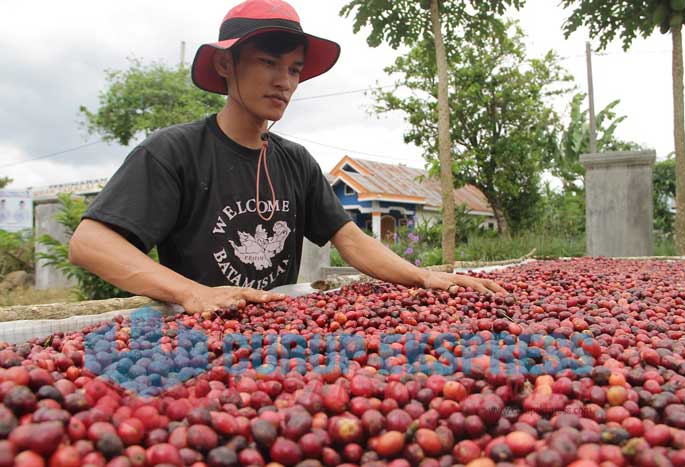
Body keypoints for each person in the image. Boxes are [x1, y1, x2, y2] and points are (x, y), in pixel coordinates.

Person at [68, 0, 505, 315]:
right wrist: (191, 292)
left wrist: (423, 276)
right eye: (268, 62)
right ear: (225, 65)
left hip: (278, 333)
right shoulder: (173, 152)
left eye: (294, 69)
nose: (285, 81)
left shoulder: (295, 162)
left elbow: (350, 240)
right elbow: (91, 243)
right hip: (197, 338)